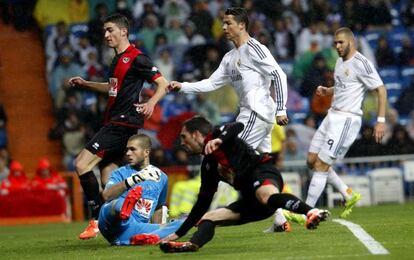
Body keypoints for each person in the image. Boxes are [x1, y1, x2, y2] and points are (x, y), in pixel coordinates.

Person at [168, 7, 290, 231]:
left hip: (256, 112)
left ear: (242, 25)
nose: (224, 27)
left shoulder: (254, 48)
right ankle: (280, 217)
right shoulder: (229, 57)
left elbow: (278, 74)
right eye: (223, 23)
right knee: (261, 165)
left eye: (228, 23)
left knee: (227, 157)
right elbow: (211, 83)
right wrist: (183, 86)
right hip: (251, 114)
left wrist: (282, 109)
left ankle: (215, 212)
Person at [159, 116, 329, 253]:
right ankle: (192, 244)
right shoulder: (208, 165)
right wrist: (177, 233)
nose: (182, 143)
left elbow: (237, 125)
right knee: (208, 218)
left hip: (263, 172)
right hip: (251, 202)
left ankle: (311, 212)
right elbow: (202, 204)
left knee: (265, 195)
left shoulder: (220, 135)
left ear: (196, 134)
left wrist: (219, 139)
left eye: (184, 136)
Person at [68, 13, 169, 239]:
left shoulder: (137, 58)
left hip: (121, 123)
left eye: (110, 30)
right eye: (104, 31)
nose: (106, 35)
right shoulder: (116, 60)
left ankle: (95, 220)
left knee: (82, 163)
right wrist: (86, 84)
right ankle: (147, 219)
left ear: (124, 31)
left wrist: (151, 103)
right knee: (109, 180)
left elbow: (163, 84)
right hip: (115, 121)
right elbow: (112, 88)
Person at [304, 27, 387, 218]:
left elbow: (381, 90)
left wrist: (380, 121)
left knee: (321, 165)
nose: (337, 46)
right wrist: (328, 90)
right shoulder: (340, 62)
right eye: (335, 43)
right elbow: (345, 85)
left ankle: (305, 212)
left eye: (341, 42)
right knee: (311, 160)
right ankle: (347, 193)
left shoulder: (362, 64)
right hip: (332, 115)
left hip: (346, 120)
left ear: (351, 42)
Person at [98, 133, 183, 245]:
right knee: (117, 204)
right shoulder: (120, 172)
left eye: (133, 149)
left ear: (146, 152)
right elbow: (106, 195)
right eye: (127, 150)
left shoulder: (162, 177)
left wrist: (159, 228)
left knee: (182, 224)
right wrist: (133, 180)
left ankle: (151, 236)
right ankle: (125, 209)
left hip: (134, 228)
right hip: (112, 223)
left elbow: (158, 208)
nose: (128, 153)